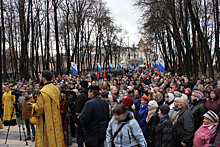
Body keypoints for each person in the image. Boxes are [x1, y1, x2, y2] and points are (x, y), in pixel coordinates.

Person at [30, 70, 65, 147]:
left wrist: (33, 106)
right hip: (56, 120)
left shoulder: (43, 91)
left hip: (46, 121)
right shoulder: (56, 89)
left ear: (44, 78)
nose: (39, 79)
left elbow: (39, 109)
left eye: (40, 77)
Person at [75, 80, 89, 147]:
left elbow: (78, 108)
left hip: (81, 117)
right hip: (87, 116)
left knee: (78, 134)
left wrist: (76, 120)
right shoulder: (88, 94)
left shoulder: (81, 96)